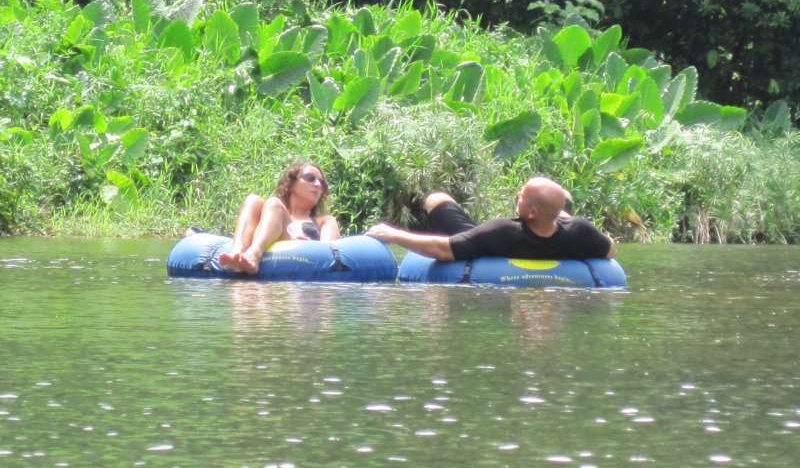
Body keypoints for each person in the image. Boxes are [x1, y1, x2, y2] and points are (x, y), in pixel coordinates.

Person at [366, 176, 616, 261]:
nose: (517, 195)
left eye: (521, 196)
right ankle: (555, 207)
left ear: (530, 213)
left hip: (491, 247)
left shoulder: (502, 230)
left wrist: (394, 234)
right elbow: (611, 250)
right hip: (549, 225)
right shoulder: (578, 231)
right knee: (563, 201)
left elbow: (443, 250)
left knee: (436, 199)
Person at [219, 161, 340, 273]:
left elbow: (328, 255)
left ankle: (255, 253)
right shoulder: (270, 213)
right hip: (267, 237)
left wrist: (306, 245)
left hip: (301, 259)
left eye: (322, 182)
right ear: (292, 184)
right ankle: (237, 253)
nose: (318, 184)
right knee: (253, 200)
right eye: (310, 178)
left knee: (273, 203)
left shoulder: (325, 221)